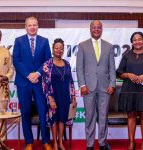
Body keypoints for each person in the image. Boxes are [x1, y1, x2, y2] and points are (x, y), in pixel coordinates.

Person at [13, 16, 52, 150]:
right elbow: (16, 61)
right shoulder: (18, 41)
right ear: (25, 27)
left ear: (38, 26)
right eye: (29, 25)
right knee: (25, 112)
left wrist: (38, 73)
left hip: (40, 82)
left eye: (34, 25)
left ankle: (46, 141)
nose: (32, 27)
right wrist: (29, 75)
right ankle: (29, 142)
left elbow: (48, 61)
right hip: (23, 82)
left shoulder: (44, 41)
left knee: (43, 112)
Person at [76, 20, 116, 150]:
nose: (96, 29)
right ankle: (90, 144)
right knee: (89, 116)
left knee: (103, 116)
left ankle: (103, 143)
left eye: (99, 27)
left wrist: (112, 84)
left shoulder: (109, 46)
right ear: (90, 29)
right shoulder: (82, 46)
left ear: (102, 29)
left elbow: (112, 68)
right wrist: (82, 85)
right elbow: (79, 68)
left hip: (105, 87)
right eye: (94, 27)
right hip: (88, 87)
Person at [42, 38, 77, 150]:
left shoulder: (67, 64)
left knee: (62, 119)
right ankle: (55, 143)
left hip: (65, 96)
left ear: (63, 50)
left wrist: (73, 97)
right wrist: (50, 99)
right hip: (53, 96)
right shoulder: (48, 64)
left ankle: (61, 142)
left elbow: (71, 81)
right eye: (56, 48)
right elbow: (45, 83)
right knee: (54, 120)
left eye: (61, 48)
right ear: (53, 49)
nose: (58, 50)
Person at [117, 32, 143, 150]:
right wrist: (127, 74)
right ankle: (131, 142)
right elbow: (119, 72)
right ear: (132, 42)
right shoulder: (127, 55)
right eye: (135, 40)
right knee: (131, 115)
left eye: (139, 39)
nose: (137, 41)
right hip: (129, 89)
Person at [0, 27, 14, 147]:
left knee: (0, 119)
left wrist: (5, 77)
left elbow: (11, 69)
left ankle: (0, 144)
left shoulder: (5, 51)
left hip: (1, 91)